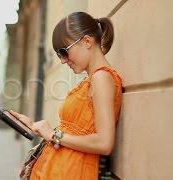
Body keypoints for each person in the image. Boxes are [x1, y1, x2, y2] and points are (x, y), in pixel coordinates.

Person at [10, 12, 123, 180]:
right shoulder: (92, 79)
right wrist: (36, 126)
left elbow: (104, 143)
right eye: (59, 55)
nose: (63, 61)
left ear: (86, 41)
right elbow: (77, 132)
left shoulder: (101, 78)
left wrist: (54, 135)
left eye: (64, 52)